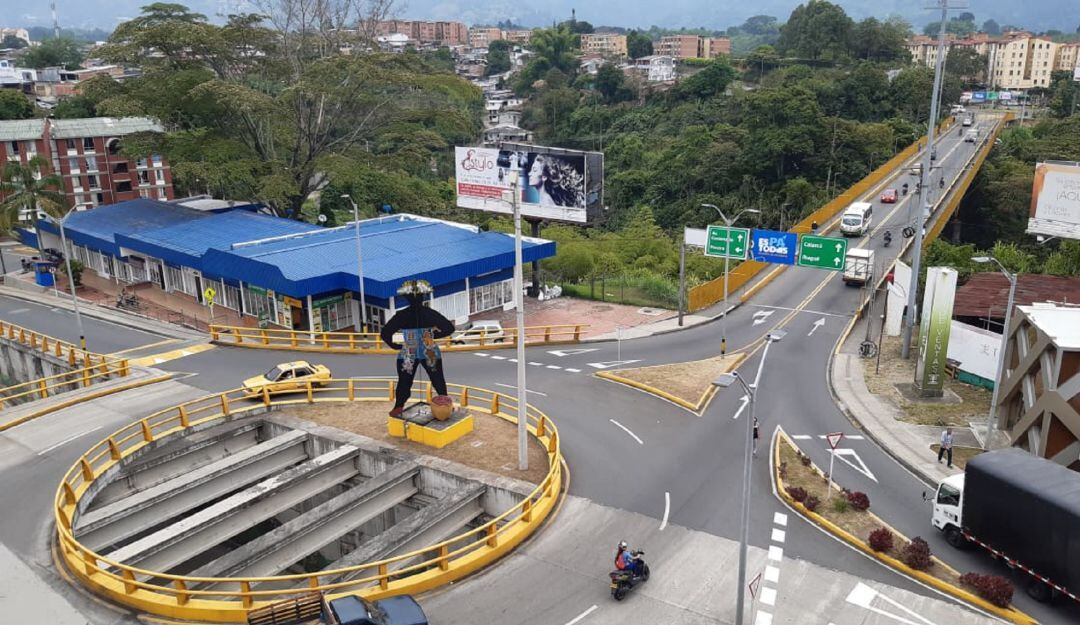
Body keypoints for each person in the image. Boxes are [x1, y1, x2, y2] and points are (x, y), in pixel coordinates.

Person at [380, 280, 456, 418]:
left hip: (409, 352)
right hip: (430, 351)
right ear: (423, 297)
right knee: (438, 380)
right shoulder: (430, 313)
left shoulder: (401, 315)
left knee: (404, 382)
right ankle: (445, 408)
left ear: (406, 298)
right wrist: (433, 335)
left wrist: (395, 346)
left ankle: (398, 407)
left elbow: (385, 333)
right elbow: (449, 328)